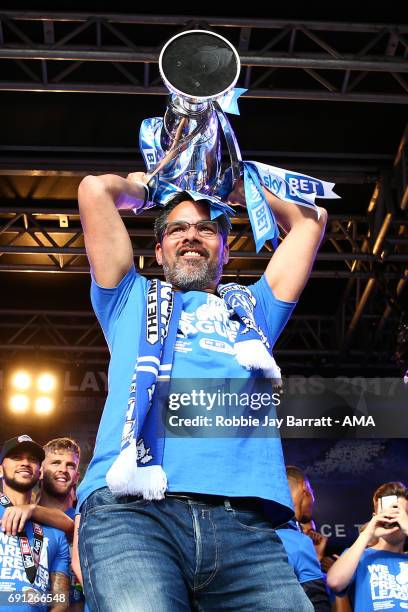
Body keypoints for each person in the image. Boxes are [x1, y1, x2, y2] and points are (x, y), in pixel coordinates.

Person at [73, 170, 327, 611]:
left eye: (207, 229)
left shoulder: (255, 312)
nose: (192, 237)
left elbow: (311, 220)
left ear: (226, 249)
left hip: (243, 524)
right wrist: (152, 185)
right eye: (178, 228)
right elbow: (95, 190)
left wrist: (225, 184)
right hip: (132, 513)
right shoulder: (128, 296)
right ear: (158, 249)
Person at [0, 435, 70, 611]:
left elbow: (60, 600)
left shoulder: (55, 532)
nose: (25, 463)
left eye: (32, 459)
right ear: (0, 470)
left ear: (39, 473)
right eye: (16, 457)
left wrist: (31, 509)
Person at [327, 481, 408, 611]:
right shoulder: (358, 556)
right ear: (375, 517)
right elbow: (335, 582)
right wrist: (367, 534)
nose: (393, 519)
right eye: (387, 514)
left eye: (399, 513)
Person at [39, 438, 84, 611]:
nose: (63, 470)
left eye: (70, 465)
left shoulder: (86, 519)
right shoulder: (20, 517)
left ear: (76, 477)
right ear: (40, 471)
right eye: (56, 462)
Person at [277, 466, 330, 611]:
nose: (313, 499)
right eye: (312, 492)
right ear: (305, 488)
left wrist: (316, 558)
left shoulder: (257, 531)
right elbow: (318, 605)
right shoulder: (298, 542)